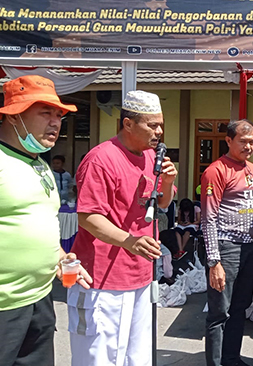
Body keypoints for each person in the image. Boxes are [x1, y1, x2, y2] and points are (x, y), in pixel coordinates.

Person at [68, 90, 177, 366]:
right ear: (128, 123)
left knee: (136, 357)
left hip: (140, 274)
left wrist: (166, 183)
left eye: (160, 124)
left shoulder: (151, 156)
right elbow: (89, 217)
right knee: (99, 357)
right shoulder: (101, 160)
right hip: (102, 279)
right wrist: (129, 241)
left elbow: (161, 202)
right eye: (152, 125)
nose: (159, 131)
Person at [0, 75, 92, 366]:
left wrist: (61, 257)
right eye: (45, 113)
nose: (56, 122)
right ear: (14, 117)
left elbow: (41, 220)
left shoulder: (39, 163)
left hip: (40, 301)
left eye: (59, 115)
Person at [202, 119, 253, 366]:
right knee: (220, 311)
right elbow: (208, 219)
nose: (248, 146)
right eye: (243, 141)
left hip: (250, 249)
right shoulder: (216, 171)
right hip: (226, 247)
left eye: (252, 141)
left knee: (240, 307)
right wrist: (214, 261)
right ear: (228, 141)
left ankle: (231, 358)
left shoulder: (252, 169)